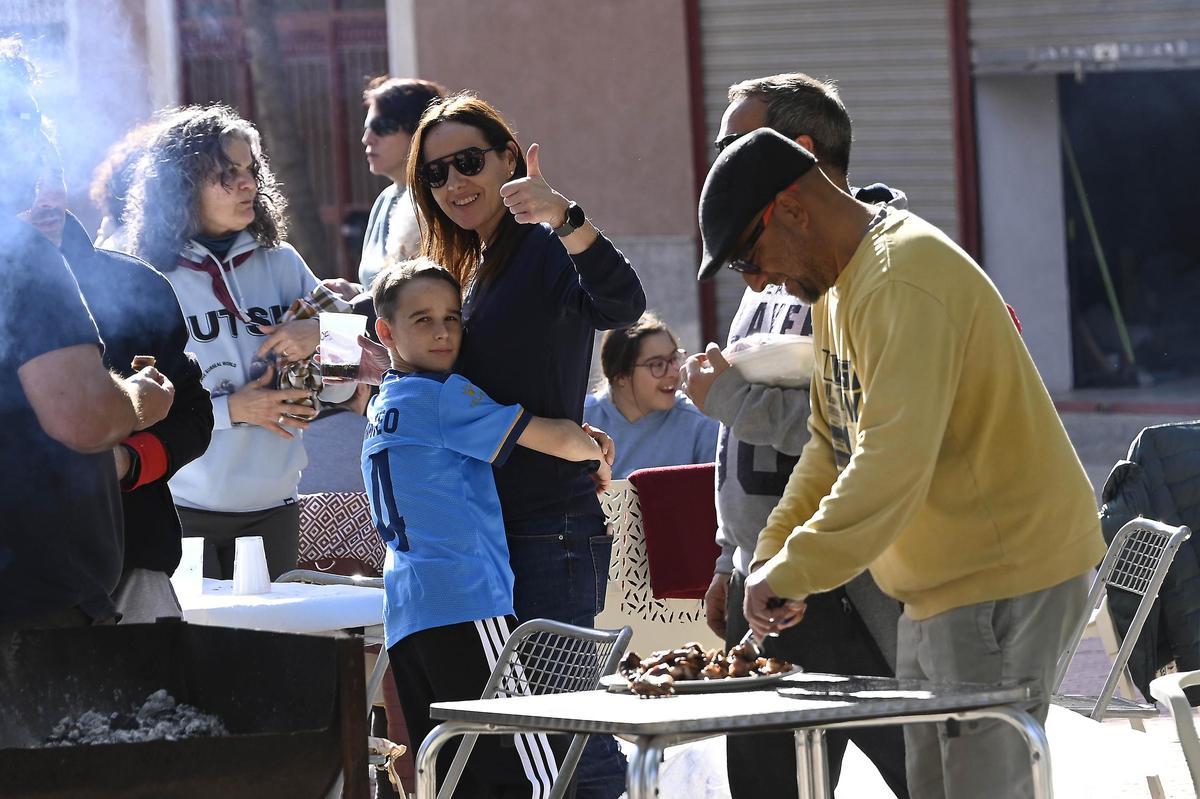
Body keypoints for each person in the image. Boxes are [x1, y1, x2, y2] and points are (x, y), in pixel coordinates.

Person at [698, 128, 1104, 799]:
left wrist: (797, 568)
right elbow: (832, 443)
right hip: (940, 589)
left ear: (792, 210)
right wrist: (772, 555)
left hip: (1002, 577)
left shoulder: (900, 278)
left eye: (749, 255)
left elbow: (890, 462)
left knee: (980, 786)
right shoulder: (838, 289)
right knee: (936, 786)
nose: (759, 279)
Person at [405, 91, 645, 798]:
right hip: (494, 533)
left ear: (510, 156)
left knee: (568, 733)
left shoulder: (541, 247)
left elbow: (622, 304)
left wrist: (565, 216)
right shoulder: (476, 268)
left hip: (549, 527)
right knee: (530, 740)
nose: (454, 184)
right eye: (436, 175)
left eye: (469, 161)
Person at [682, 73, 909, 798]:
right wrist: (731, 555)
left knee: (928, 772)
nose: (719, 164)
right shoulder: (770, 274)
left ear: (797, 154)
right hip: (769, 584)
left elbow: (857, 428)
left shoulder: (872, 271)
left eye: (735, 145)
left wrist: (731, 400)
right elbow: (741, 444)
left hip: (855, 593)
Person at [365, 258, 609, 796]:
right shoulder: (444, 396)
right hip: (468, 604)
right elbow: (555, 439)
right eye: (422, 319)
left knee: (450, 779)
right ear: (385, 331)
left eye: (453, 317)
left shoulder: (382, 404)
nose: (443, 331)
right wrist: (594, 452)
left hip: (408, 614)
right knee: (536, 779)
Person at [0, 37, 175, 638]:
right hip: (28, 603)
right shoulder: (18, 257)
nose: (43, 140)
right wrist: (137, 398)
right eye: (26, 118)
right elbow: (81, 418)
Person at [124, 104, 326, 580]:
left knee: (274, 653)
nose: (248, 184)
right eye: (226, 174)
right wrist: (234, 410)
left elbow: (353, 364)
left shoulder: (281, 261)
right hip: (183, 506)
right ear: (181, 186)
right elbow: (128, 399)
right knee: (196, 653)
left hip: (274, 506)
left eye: (251, 170)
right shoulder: (144, 275)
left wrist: (319, 334)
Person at [23, 129, 214, 623]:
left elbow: (193, 412)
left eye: (55, 174)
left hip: (132, 557)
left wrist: (129, 460)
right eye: (27, 175)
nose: (45, 192)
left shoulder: (136, 284)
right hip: (21, 574)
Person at [584, 312, 716, 479]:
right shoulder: (581, 419)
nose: (674, 372)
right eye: (657, 364)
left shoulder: (701, 425)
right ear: (620, 375)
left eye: (674, 358)